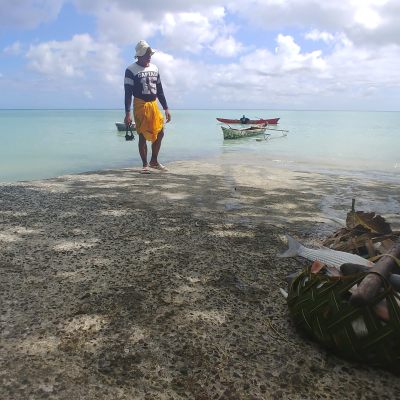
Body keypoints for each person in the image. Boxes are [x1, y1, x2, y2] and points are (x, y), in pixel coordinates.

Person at [124, 40, 172, 174]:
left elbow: (160, 90)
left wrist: (166, 108)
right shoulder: (131, 70)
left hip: (154, 105)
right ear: (139, 55)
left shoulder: (155, 68)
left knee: (160, 132)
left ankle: (154, 161)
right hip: (140, 105)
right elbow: (128, 93)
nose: (149, 56)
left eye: (150, 53)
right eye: (146, 53)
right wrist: (128, 113)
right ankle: (145, 164)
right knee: (142, 134)